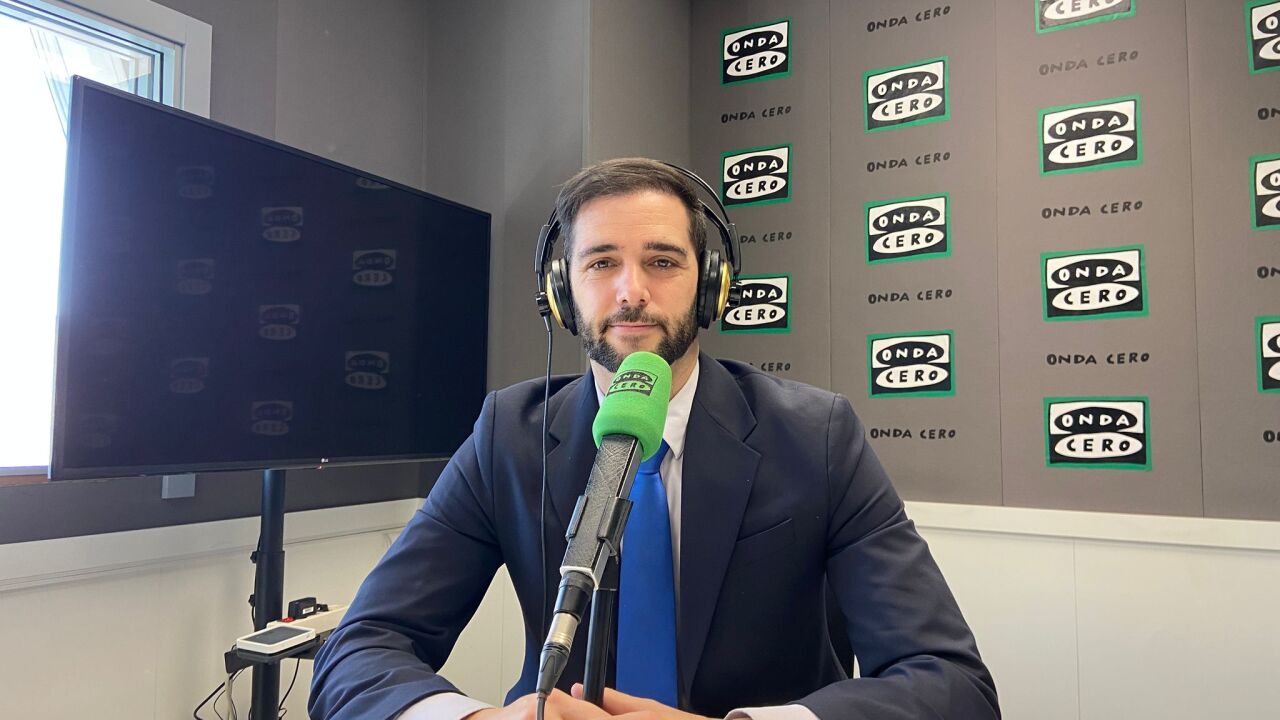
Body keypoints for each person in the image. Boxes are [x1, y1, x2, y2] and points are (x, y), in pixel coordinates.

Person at [309, 158, 999, 720]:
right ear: (561, 292)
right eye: (601, 263)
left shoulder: (816, 435)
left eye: (663, 262)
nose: (631, 291)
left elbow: (952, 683)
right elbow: (359, 650)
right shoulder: (507, 436)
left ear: (711, 285)